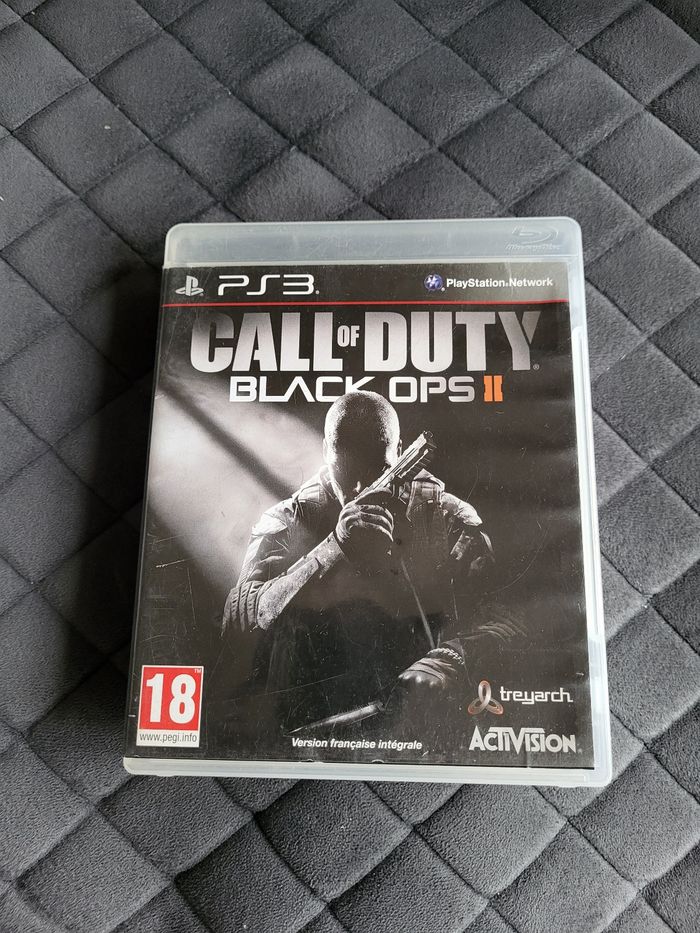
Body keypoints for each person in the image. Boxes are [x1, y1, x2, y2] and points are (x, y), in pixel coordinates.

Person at [221, 390, 503, 745]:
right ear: (326, 450)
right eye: (346, 470)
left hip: (418, 724)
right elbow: (237, 623)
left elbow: (509, 616)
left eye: (376, 471)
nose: (358, 489)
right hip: (306, 728)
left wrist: (451, 658)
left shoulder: (444, 517)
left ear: (399, 452)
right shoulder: (288, 519)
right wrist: (334, 547)